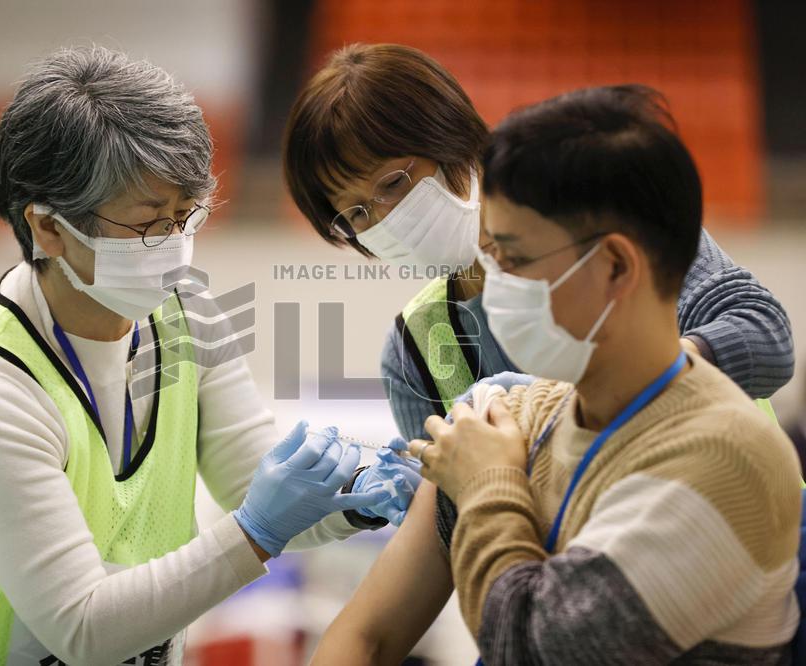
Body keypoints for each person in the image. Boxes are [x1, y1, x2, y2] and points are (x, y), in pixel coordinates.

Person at [0, 46, 419, 666]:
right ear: (49, 228)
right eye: (149, 223)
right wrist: (254, 533)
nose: (177, 244)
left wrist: (355, 493)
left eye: (187, 215)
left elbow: (257, 482)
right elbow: (84, 630)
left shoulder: (185, 315)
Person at [281, 44, 796, 660]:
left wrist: (607, 398)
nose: (382, 220)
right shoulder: (418, 349)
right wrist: (447, 484)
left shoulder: (589, 213)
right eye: (356, 215)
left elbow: (763, 334)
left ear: (615, 266)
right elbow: (415, 595)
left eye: (393, 184)